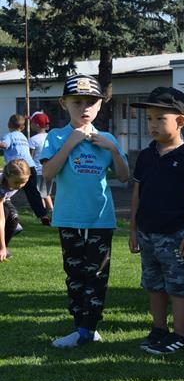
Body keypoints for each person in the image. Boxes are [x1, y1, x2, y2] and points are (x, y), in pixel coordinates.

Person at [41, 74, 129, 348]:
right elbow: (48, 173)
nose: (85, 108)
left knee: (98, 275)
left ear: (100, 105)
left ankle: (88, 328)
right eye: (77, 102)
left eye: (91, 102)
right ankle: (81, 328)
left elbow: (125, 176)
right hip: (69, 217)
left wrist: (113, 150)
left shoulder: (108, 138)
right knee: (75, 274)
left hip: (100, 219)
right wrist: (71, 143)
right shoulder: (56, 136)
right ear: (64, 103)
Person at [129, 87, 184, 355]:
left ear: (180, 121)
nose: (152, 124)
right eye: (149, 119)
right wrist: (133, 230)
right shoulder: (146, 155)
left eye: (160, 119)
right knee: (154, 284)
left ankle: (181, 335)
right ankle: (159, 329)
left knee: (179, 287)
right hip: (147, 233)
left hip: (176, 235)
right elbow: (138, 194)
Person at [0, 114, 50, 225]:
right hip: (30, 167)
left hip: (16, 167)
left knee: (5, 190)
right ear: (22, 127)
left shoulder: (9, 135)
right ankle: (43, 215)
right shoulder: (23, 137)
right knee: (33, 193)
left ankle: (6, 213)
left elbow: (4, 145)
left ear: (9, 124)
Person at [0, 159, 31, 262]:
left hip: (3, 199)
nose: (19, 185)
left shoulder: (13, 181)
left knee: (13, 219)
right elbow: (0, 220)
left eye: (24, 182)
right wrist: (2, 247)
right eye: (17, 182)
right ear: (7, 177)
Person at [28, 111, 54, 213]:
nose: (30, 124)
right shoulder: (50, 137)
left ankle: (44, 214)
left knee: (39, 194)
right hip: (50, 170)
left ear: (36, 125)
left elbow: (30, 157)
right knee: (46, 193)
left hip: (37, 171)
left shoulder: (33, 140)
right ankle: (51, 211)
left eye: (32, 122)